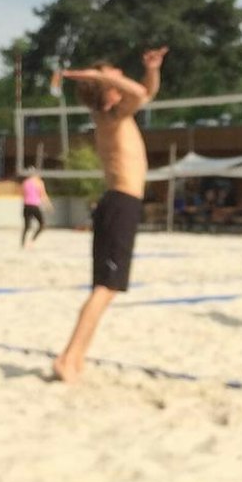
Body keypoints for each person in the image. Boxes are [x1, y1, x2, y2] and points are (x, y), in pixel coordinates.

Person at [51, 46, 166, 382]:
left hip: (117, 204)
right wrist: (100, 75)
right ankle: (68, 357)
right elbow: (141, 93)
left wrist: (152, 68)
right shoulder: (111, 115)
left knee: (106, 288)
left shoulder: (116, 114)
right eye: (114, 77)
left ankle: (76, 358)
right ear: (110, 94)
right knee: (105, 289)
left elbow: (146, 90)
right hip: (120, 204)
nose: (120, 77)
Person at [21, 172, 52, 247]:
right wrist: (49, 205)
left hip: (26, 205)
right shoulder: (39, 183)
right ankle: (32, 241)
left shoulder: (25, 182)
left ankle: (23, 243)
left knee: (27, 226)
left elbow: (23, 194)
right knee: (42, 224)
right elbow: (43, 195)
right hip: (34, 205)